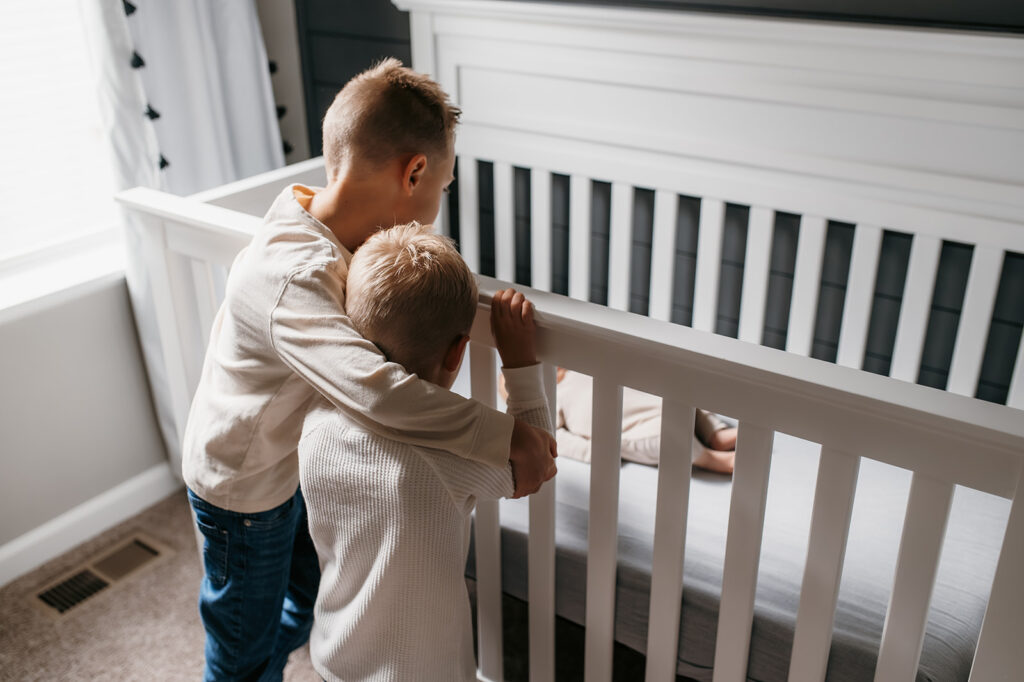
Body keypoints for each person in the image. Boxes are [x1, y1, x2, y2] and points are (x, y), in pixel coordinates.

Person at [181, 59, 556, 681]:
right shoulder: (292, 275)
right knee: (242, 643)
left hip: (290, 465)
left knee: (306, 599)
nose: (439, 198)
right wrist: (505, 432)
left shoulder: (329, 231)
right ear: (414, 172)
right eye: (444, 184)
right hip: (241, 490)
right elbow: (378, 391)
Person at [298, 224, 551, 682]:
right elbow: (537, 461)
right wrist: (519, 364)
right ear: (458, 353)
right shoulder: (452, 453)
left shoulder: (315, 423)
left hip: (336, 655)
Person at [549, 369, 737, 474]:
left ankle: (716, 434)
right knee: (666, 437)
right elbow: (557, 437)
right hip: (633, 427)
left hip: (657, 402)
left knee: (686, 393)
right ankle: (711, 459)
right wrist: (593, 451)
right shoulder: (552, 394)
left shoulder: (581, 363)